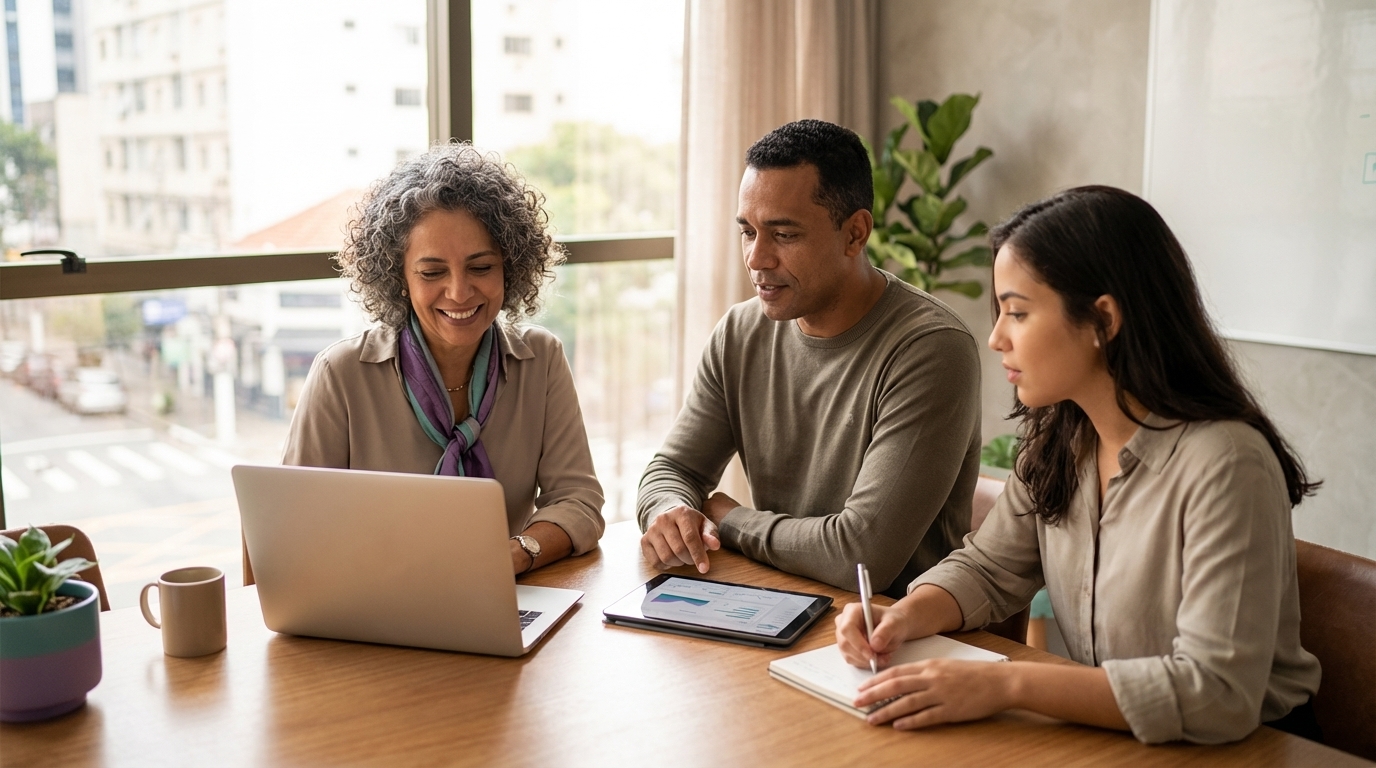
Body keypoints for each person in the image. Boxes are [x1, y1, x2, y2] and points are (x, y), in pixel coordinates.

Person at [835, 186, 1322, 744]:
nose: (995, 338)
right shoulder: (1060, 441)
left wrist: (1007, 685)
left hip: (1254, 749)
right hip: (1118, 736)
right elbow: (989, 569)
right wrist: (903, 616)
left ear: (1102, 320)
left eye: (1016, 312)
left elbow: (1216, 693)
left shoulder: (1227, 464)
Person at [637, 119, 982, 597]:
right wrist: (669, 511)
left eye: (783, 235)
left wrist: (729, 518)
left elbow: (860, 557)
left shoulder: (931, 349)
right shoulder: (740, 332)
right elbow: (673, 471)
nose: (757, 258)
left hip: (896, 636)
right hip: (776, 601)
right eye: (747, 231)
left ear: (855, 234)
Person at [282, 143, 605, 575]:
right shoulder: (341, 375)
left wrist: (518, 551)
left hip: (502, 594)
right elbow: (293, 525)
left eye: (481, 267)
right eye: (432, 272)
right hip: (374, 601)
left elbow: (578, 501)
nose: (458, 292)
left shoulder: (540, 359)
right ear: (399, 278)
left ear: (510, 267)